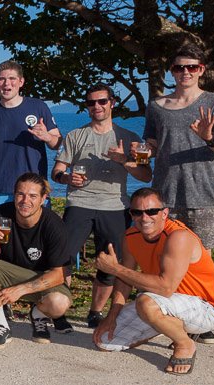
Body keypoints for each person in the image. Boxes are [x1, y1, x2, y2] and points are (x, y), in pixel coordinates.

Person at [93, 188, 214, 375]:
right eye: (137, 212)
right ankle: (166, 325)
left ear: (164, 213)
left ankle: (184, 343)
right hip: (164, 304)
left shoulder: (178, 236)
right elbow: (124, 280)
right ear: (131, 214)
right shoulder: (131, 236)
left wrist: (115, 269)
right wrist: (112, 316)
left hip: (205, 308)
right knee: (104, 341)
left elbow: (165, 288)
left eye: (152, 211)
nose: (144, 217)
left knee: (146, 302)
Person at [52, 84, 150, 329]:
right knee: (62, 258)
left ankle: (95, 313)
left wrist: (124, 160)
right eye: (91, 102)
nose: (97, 106)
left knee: (109, 263)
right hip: (79, 203)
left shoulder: (130, 138)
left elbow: (146, 175)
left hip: (115, 206)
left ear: (112, 103)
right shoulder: (75, 135)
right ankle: (58, 310)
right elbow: (57, 171)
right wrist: (67, 178)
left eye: (102, 101)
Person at [143, 44, 214, 252]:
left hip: (203, 197)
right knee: (164, 259)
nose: (185, 72)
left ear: (201, 70)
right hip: (164, 197)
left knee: (201, 262)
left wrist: (209, 138)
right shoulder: (156, 106)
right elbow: (153, 146)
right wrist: (141, 152)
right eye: (179, 68)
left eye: (192, 67)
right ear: (172, 71)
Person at [0, 173, 72, 349]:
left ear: (43, 199)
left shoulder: (54, 225)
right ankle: (1, 326)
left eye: (33, 196)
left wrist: (21, 289)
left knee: (58, 304)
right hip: (10, 273)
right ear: (14, 195)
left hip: (43, 278)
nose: (25, 201)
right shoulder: (1, 214)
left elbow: (60, 274)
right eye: (20, 194)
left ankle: (38, 314)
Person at [0, 60, 62, 216]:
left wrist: (47, 136)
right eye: (2, 79)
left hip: (33, 188)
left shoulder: (38, 107)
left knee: (34, 230)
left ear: (21, 82)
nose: (7, 83)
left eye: (12, 78)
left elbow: (58, 143)